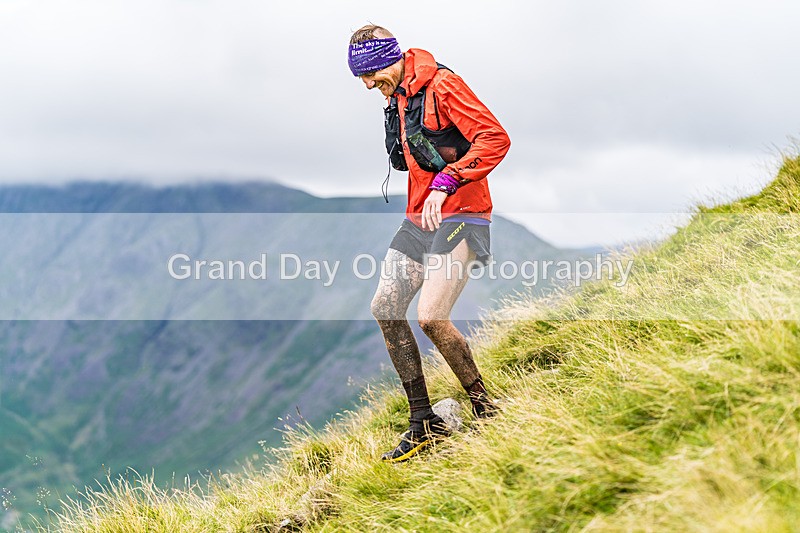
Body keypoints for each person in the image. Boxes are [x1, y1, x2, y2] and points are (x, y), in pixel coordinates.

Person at [348, 24, 511, 462]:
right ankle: (423, 422)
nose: (367, 85)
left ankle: (486, 407)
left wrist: (447, 180)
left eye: (371, 74)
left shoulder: (443, 85)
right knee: (384, 307)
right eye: (361, 78)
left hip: (464, 214)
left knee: (432, 317)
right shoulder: (398, 97)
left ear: (392, 57)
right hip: (419, 219)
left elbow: (495, 138)